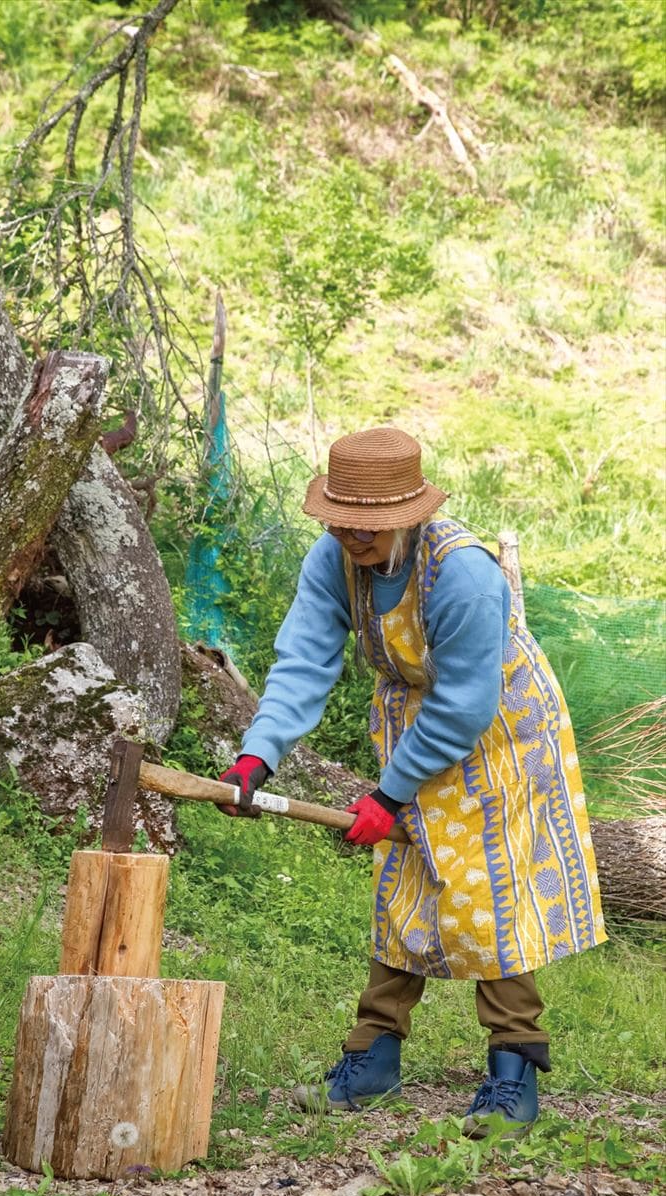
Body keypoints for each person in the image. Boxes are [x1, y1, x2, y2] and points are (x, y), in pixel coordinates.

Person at [219, 426, 606, 1135]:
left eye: (367, 527)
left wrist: (389, 794)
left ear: (409, 517)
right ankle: (373, 1058)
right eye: (341, 522)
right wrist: (258, 753)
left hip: (499, 732)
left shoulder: (462, 574)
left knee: (487, 892)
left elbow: (463, 705)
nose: (351, 538)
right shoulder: (334, 560)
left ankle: (513, 1070)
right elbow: (304, 659)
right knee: (403, 879)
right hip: (416, 728)